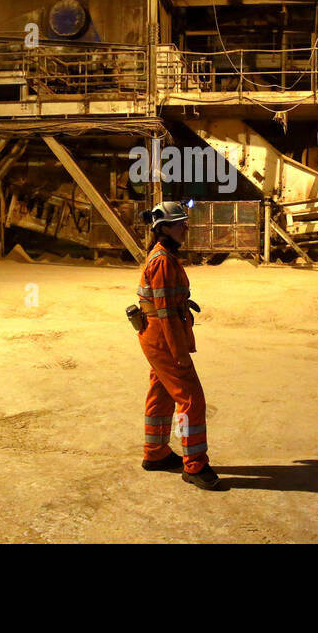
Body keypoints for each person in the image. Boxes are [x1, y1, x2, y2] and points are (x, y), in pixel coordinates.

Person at [134, 201, 220, 491]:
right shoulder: (161, 261)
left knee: (161, 392)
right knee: (191, 400)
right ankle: (194, 464)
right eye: (180, 223)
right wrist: (179, 353)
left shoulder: (163, 256)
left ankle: (156, 453)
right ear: (164, 228)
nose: (186, 227)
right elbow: (167, 312)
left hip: (157, 335)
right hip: (163, 337)